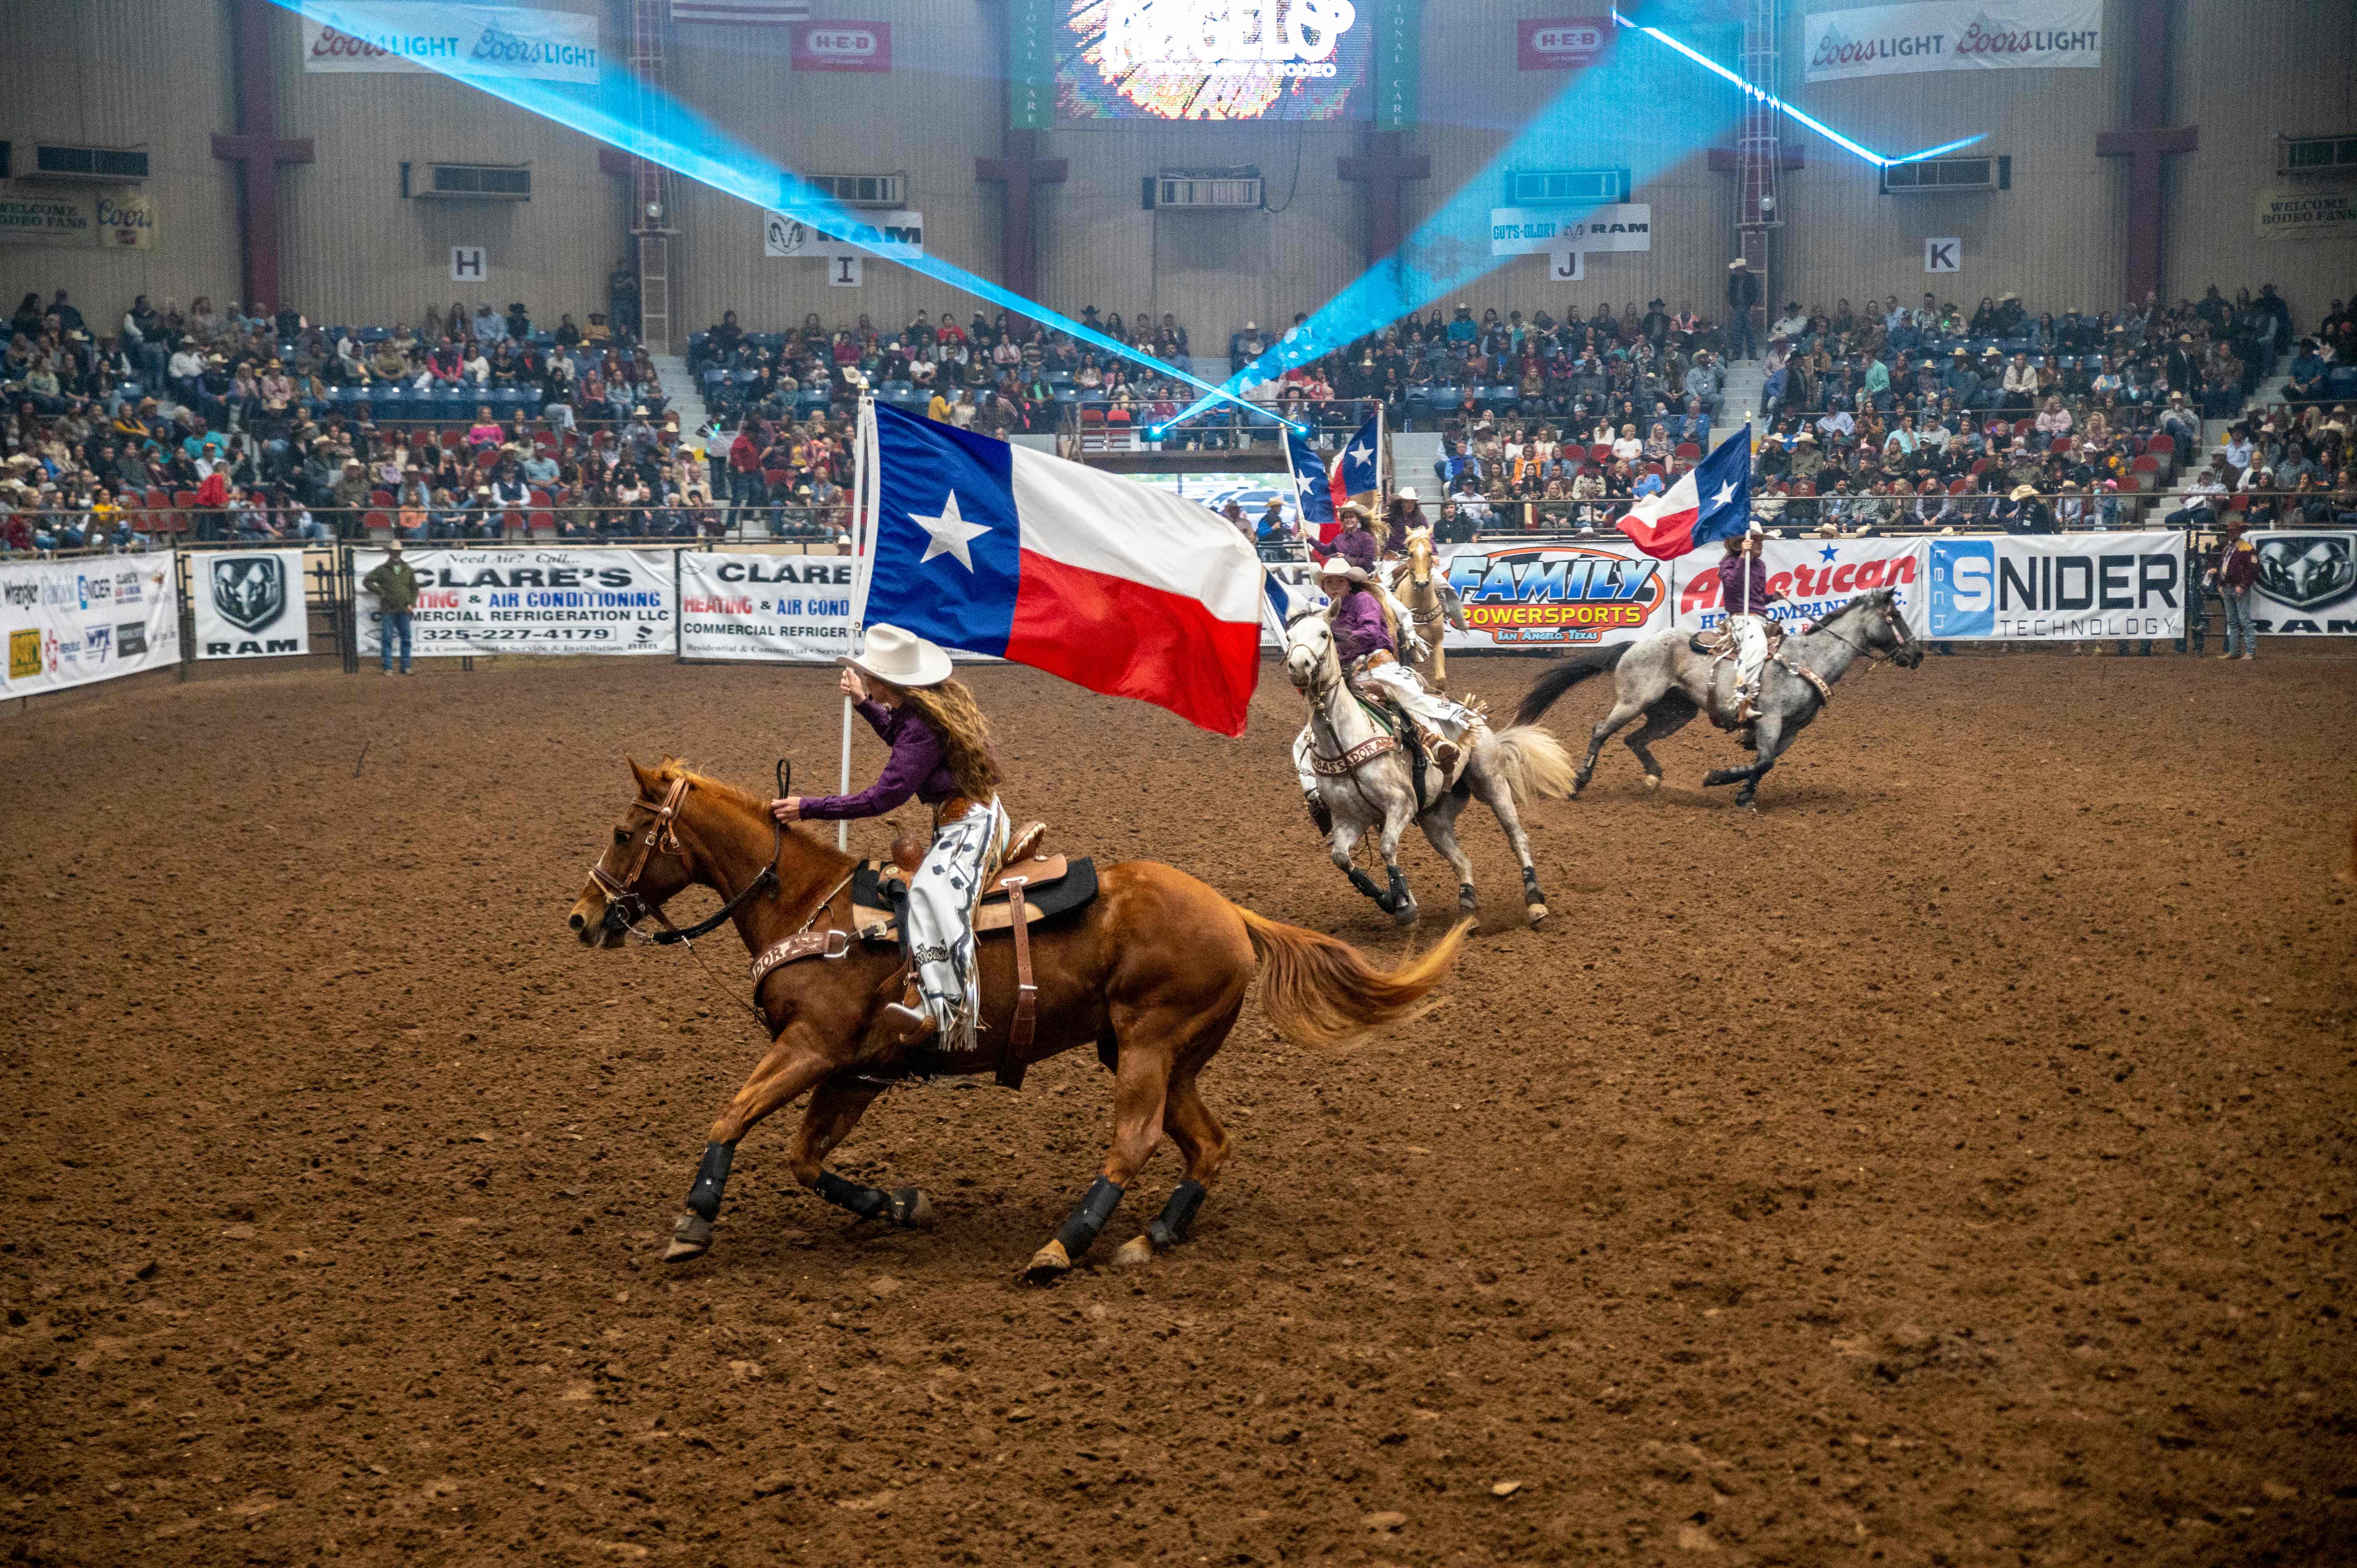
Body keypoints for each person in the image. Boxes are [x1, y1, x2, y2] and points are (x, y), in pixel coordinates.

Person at [770, 625, 1008, 1050]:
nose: (869, 681)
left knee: (930, 893)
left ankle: (946, 1006)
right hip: (970, 814)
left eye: (872, 678)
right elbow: (904, 743)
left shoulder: (922, 724)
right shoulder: (921, 712)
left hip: (970, 824)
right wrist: (864, 704)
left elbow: (884, 796)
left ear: (888, 681)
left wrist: (809, 807)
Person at [1313, 557, 1474, 772]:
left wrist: (1337, 637)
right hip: (1346, 668)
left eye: (1339, 582)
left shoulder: (1363, 600)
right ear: (1324, 587)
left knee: (1402, 693)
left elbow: (1370, 633)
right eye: (1329, 583)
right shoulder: (1328, 612)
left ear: (1349, 584)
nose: (1334, 588)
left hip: (1376, 661)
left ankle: (1430, 737)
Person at [1717, 525, 1794, 724]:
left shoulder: (1760, 566)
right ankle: (1743, 699)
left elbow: (1758, 597)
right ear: (1742, 542)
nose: (1760, 544)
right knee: (1759, 648)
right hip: (1741, 618)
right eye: (1756, 540)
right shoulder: (1730, 563)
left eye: (1761, 541)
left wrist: (1773, 598)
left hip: (1759, 617)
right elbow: (1733, 586)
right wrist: (1743, 557)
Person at [362, 538, 420, 675]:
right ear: (390, 553)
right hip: (389, 609)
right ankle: (388, 667)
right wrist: (381, 592)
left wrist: (411, 604)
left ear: (400, 553)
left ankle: (405, 666)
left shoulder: (408, 570)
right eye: (394, 552)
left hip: (404, 609)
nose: (396, 554)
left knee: (405, 638)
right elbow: (368, 581)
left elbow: (414, 589)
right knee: (388, 638)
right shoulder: (382, 570)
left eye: (398, 552)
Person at [2211, 523, 2259, 661]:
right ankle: (2236, 651)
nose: (2231, 534)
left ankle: (2248, 651)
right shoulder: (2230, 548)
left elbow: (2253, 570)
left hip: (2236, 587)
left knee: (2242, 620)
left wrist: (2243, 585)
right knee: (2234, 621)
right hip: (2228, 587)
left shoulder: (2246, 549)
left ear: (2239, 532)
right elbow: (2222, 567)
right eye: (2230, 532)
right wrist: (2220, 584)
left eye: (2234, 531)